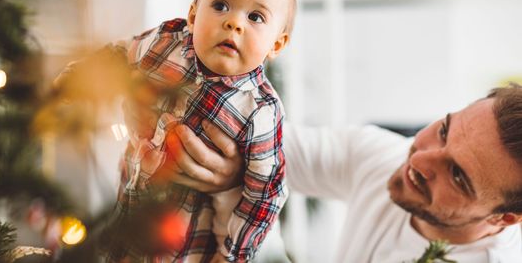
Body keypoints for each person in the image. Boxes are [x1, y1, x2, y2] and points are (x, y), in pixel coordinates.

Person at [130, 85, 522, 262]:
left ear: (504, 218)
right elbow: (270, 148)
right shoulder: (385, 156)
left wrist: (238, 184)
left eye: (457, 175)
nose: (421, 160)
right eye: (443, 130)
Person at [106, 0, 296, 263]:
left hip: (188, 241)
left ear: (276, 44)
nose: (234, 22)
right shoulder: (167, 43)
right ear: (193, 17)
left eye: (255, 17)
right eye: (220, 5)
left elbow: (265, 193)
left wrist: (233, 254)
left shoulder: (260, 111)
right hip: (129, 206)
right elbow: (122, 53)